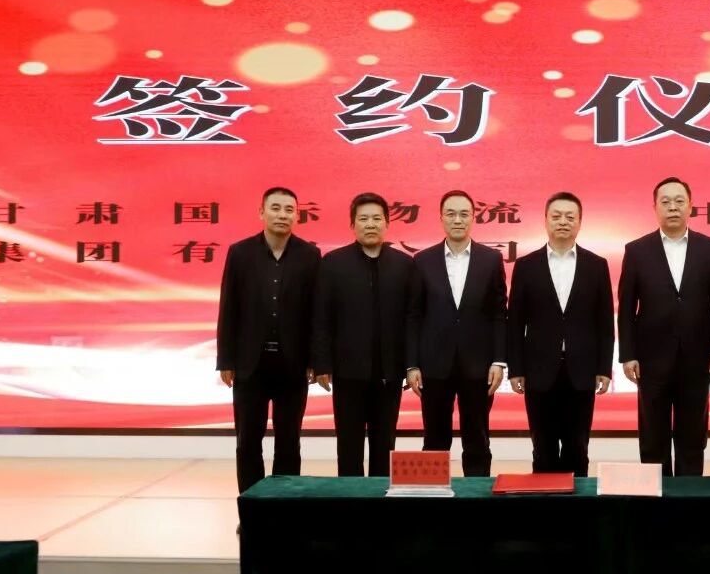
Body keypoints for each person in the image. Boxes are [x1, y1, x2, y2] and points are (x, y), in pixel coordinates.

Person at [618, 176, 710, 476]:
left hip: (698, 356)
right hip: (651, 359)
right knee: (653, 435)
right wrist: (628, 354)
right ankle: (656, 495)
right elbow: (626, 308)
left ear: (691, 206)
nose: (673, 207)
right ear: (655, 207)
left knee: (692, 434)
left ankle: (690, 495)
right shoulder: (637, 250)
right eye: (665, 202)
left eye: (679, 201)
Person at [216, 186, 320, 493]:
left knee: (289, 441)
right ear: (261, 212)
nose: (282, 215)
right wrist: (226, 359)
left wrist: (315, 360)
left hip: (293, 365)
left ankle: (284, 506)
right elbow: (229, 308)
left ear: (297, 216)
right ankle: (252, 505)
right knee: (248, 441)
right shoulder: (240, 253)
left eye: (289, 210)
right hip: (250, 364)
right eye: (275, 208)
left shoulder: (310, 255)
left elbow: (315, 313)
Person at [312, 193, 421, 477]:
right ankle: (350, 501)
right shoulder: (333, 263)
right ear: (353, 225)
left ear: (387, 223)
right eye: (363, 219)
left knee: (384, 444)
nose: (370, 224)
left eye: (376, 218)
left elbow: (413, 318)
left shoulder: (405, 264)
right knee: (349, 445)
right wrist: (322, 364)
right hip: (347, 371)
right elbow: (321, 317)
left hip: (389, 371)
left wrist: (411, 364)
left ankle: (380, 499)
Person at [507, 192, 614, 476]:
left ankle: (578, 502)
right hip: (538, 370)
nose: (563, 222)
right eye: (556, 216)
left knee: (577, 447)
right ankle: (545, 501)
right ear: (545, 221)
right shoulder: (526, 266)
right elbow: (515, 322)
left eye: (570, 217)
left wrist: (604, 368)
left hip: (582, 370)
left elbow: (605, 323)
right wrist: (516, 369)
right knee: (543, 448)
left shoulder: (597, 265)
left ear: (580, 222)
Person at [407, 190, 507, 477]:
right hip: (434, 365)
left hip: (479, 365)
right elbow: (414, 315)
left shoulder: (491, 259)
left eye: (464, 214)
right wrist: (412, 364)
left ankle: (476, 497)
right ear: (441, 218)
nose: (458, 220)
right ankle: (432, 497)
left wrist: (499, 360)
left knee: (477, 439)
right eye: (451, 214)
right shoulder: (422, 260)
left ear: (473, 218)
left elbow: (499, 313)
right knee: (435, 439)